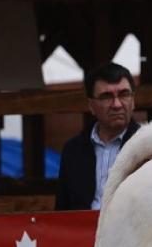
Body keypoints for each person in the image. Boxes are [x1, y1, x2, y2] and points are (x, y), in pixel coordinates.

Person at [56, 62, 141, 211]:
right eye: (106, 96)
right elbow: (62, 210)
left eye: (124, 94)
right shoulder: (73, 150)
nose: (117, 104)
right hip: (82, 226)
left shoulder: (148, 146)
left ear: (133, 101)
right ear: (91, 106)